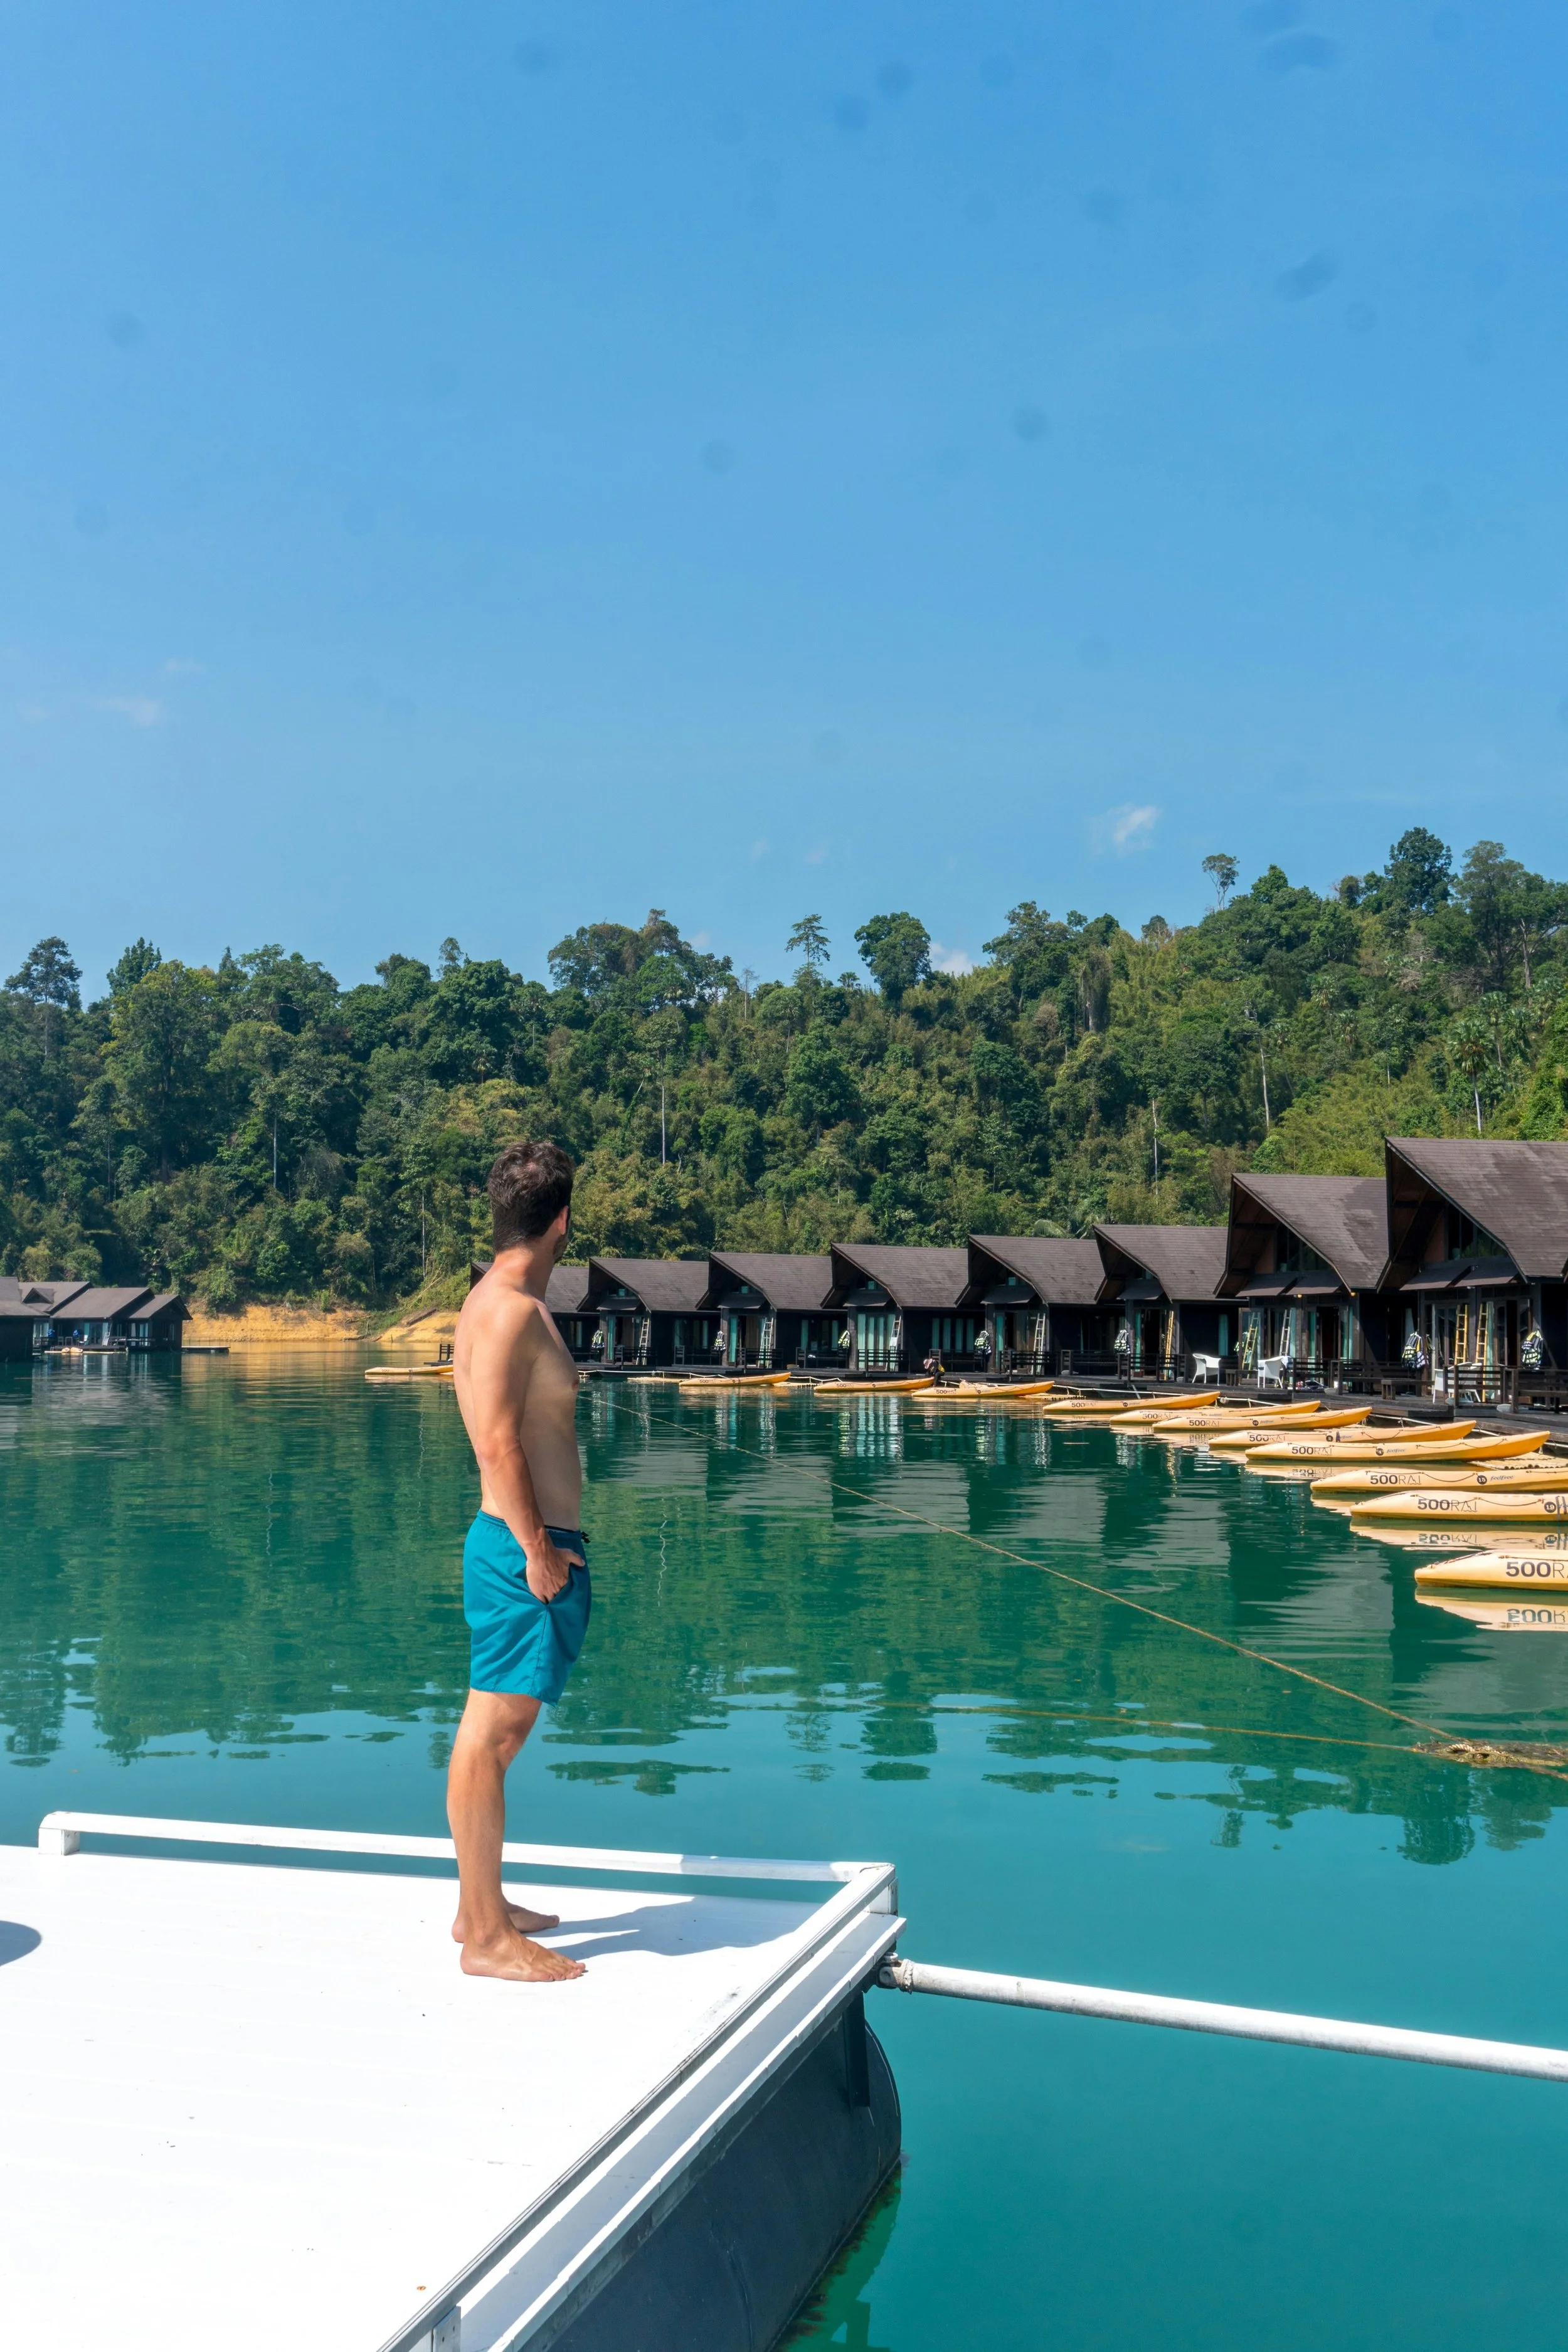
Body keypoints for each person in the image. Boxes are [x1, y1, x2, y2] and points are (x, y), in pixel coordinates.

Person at [447, 1138, 590, 1984]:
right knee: (491, 1735)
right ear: (561, 1221)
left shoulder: (493, 1299)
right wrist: (539, 1549)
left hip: (519, 1543)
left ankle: (481, 1904)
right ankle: (487, 1938)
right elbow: (499, 1442)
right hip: (518, 1548)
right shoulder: (506, 1309)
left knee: (493, 1732)